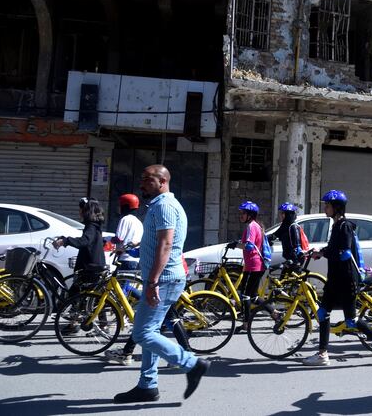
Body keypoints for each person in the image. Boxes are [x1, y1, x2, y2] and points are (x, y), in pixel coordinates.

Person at [113, 165, 209, 404]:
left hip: (163, 279)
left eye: (148, 179)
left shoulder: (164, 206)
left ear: (163, 182)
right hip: (162, 278)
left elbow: (165, 245)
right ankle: (148, 385)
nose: (142, 183)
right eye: (142, 178)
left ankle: (192, 364)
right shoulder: (161, 205)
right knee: (151, 331)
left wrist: (153, 281)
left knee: (142, 333)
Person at [302, 190, 372, 366]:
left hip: (346, 280)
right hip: (335, 279)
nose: (325, 208)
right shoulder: (336, 226)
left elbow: (344, 252)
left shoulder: (345, 226)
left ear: (336, 207)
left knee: (352, 320)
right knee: (322, 313)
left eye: (327, 205)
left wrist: (323, 253)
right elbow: (334, 248)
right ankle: (322, 354)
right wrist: (319, 252)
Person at [227, 201, 268, 331]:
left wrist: (235, 245)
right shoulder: (256, 226)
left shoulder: (251, 226)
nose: (241, 215)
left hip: (253, 265)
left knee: (245, 295)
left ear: (250, 215)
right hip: (256, 265)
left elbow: (249, 246)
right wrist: (238, 243)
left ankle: (246, 324)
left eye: (243, 213)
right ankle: (274, 313)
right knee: (254, 296)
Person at [53, 198, 106, 296]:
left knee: (75, 295)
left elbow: (84, 241)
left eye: (81, 209)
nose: (79, 212)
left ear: (86, 210)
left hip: (90, 267)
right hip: (92, 265)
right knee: (78, 295)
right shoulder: (94, 226)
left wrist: (66, 241)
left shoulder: (91, 226)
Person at [114, 194, 143, 272]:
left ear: (125, 206)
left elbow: (119, 238)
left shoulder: (125, 219)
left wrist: (107, 239)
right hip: (135, 260)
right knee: (129, 283)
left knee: (119, 283)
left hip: (125, 259)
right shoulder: (138, 222)